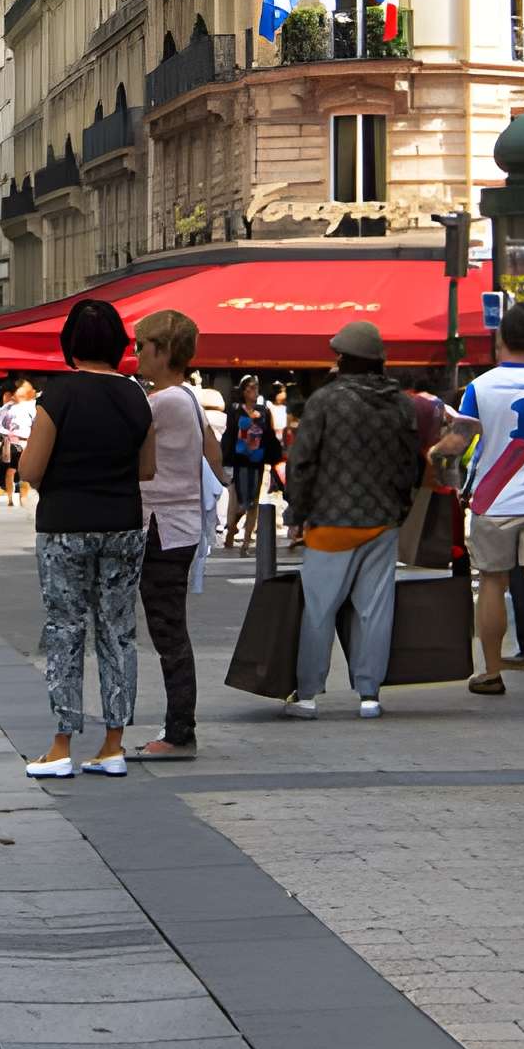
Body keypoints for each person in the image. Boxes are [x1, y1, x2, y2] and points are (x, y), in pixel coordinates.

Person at [18, 298, 156, 777]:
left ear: (70, 343)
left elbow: (31, 468)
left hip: (64, 524)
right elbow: (147, 468)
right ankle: (114, 744)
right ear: (119, 343)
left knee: (66, 629)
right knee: (118, 631)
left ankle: (61, 746)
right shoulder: (137, 395)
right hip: (122, 523)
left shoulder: (60, 395)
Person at [431, 301, 524, 704]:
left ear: (500, 340)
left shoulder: (481, 387)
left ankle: (491, 672)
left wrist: (433, 456)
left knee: (492, 583)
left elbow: (459, 441)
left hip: (493, 501)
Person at [281, 321, 421, 721]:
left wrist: (297, 512)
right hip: (382, 521)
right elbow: (410, 463)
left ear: (343, 360)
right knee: (375, 609)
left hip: (330, 521)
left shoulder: (325, 401)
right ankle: (369, 695)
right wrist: (400, 508)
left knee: (319, 610)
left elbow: (303, 461)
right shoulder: (400, 404)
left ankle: (307, 695)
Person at [132, 308, 221, 760]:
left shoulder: (160, 402)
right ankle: (178, 726)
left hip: (161, 525)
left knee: (168, 632)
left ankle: (178, 731)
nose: (136, 355)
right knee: (171, 629)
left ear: (163, 351)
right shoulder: (187, 398)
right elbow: (216, 458)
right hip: (181, 523)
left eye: (142, 346)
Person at [221, 375, 282, 548]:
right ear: (243, 391)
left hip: (258, 460)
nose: (254, 391)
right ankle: (232, 530)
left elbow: (269, 434)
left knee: (253, 501)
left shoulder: (263, 410)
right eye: (250, 388)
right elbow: (230, 434)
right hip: (240, 460)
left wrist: (272, 456)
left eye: (256, 387)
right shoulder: (235, 411)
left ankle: (246, 542)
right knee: (240, 501)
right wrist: (227, 457)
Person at [0, 381, 36, 508]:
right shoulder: (6, 408)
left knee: (25, 471)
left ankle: (23, 497)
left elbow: (35, 422)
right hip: (13, 442)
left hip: (27, 441)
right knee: (11, 470)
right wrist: (9, 434)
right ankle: (10, 497)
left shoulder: (30, 407)